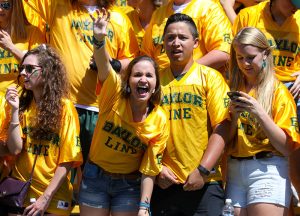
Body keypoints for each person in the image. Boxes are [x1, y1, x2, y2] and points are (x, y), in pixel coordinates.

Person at [23, 0, 140, 167]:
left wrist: (113, 64)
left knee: (93, 176)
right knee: (61, 171)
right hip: (61, 106)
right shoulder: (57, 7)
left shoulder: (119, 18)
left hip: (101, 110)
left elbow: (134, 62)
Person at [78, 8, 169, 216]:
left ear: (155, 84)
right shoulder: (114, 94)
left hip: (128, 184)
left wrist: (144, 207)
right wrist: (99, 39)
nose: (143, 79)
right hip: (95, 177)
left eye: (149, 75)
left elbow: (149, 169)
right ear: (128, 80)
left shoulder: (159, 120)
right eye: (137, 75)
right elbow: (103, 66)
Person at [149, 13, 230, 216]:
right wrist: (156, 169)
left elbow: (223, 126)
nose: (176, 43)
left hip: (205, 182)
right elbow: (140, 128)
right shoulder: (153, 80)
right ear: (163, 43)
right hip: (163, 183)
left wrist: (203, 170)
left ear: (195, 43)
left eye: (182, 38)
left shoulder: (211, 78)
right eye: (170, 38)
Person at [226, 27, 300, 216]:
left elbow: (287, 148)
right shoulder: (232, 87)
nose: (245, 63)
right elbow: (226, 141)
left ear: (265, 54)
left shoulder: (279, 92)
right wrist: (233, 118)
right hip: (235, 169)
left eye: (250, 57)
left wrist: (259, 112)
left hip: (268, 169)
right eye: (240, 58)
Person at [4, 44, 83, 215]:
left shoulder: (65, 108)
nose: (23, 73)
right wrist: (15, 111)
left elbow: (68, 160)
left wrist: (45, 198)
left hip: (53, 196)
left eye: (30, 68)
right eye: (22, 68)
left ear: (47, 73)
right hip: (21, 191)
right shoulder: (23, 105)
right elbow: (15, 148)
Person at [141, 0, 232, 71]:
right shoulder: (159, 14)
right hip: (162, 85)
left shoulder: (208, 8)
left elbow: (224, 52)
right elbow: (146, 54)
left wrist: (186, 71)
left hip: (198, 83)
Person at [0, 0, 45, 94]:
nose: (0, 9)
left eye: (5, 4)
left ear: (15, 6)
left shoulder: (33, 32)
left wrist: (11, 47)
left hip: (21, 99)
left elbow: (41, 67)